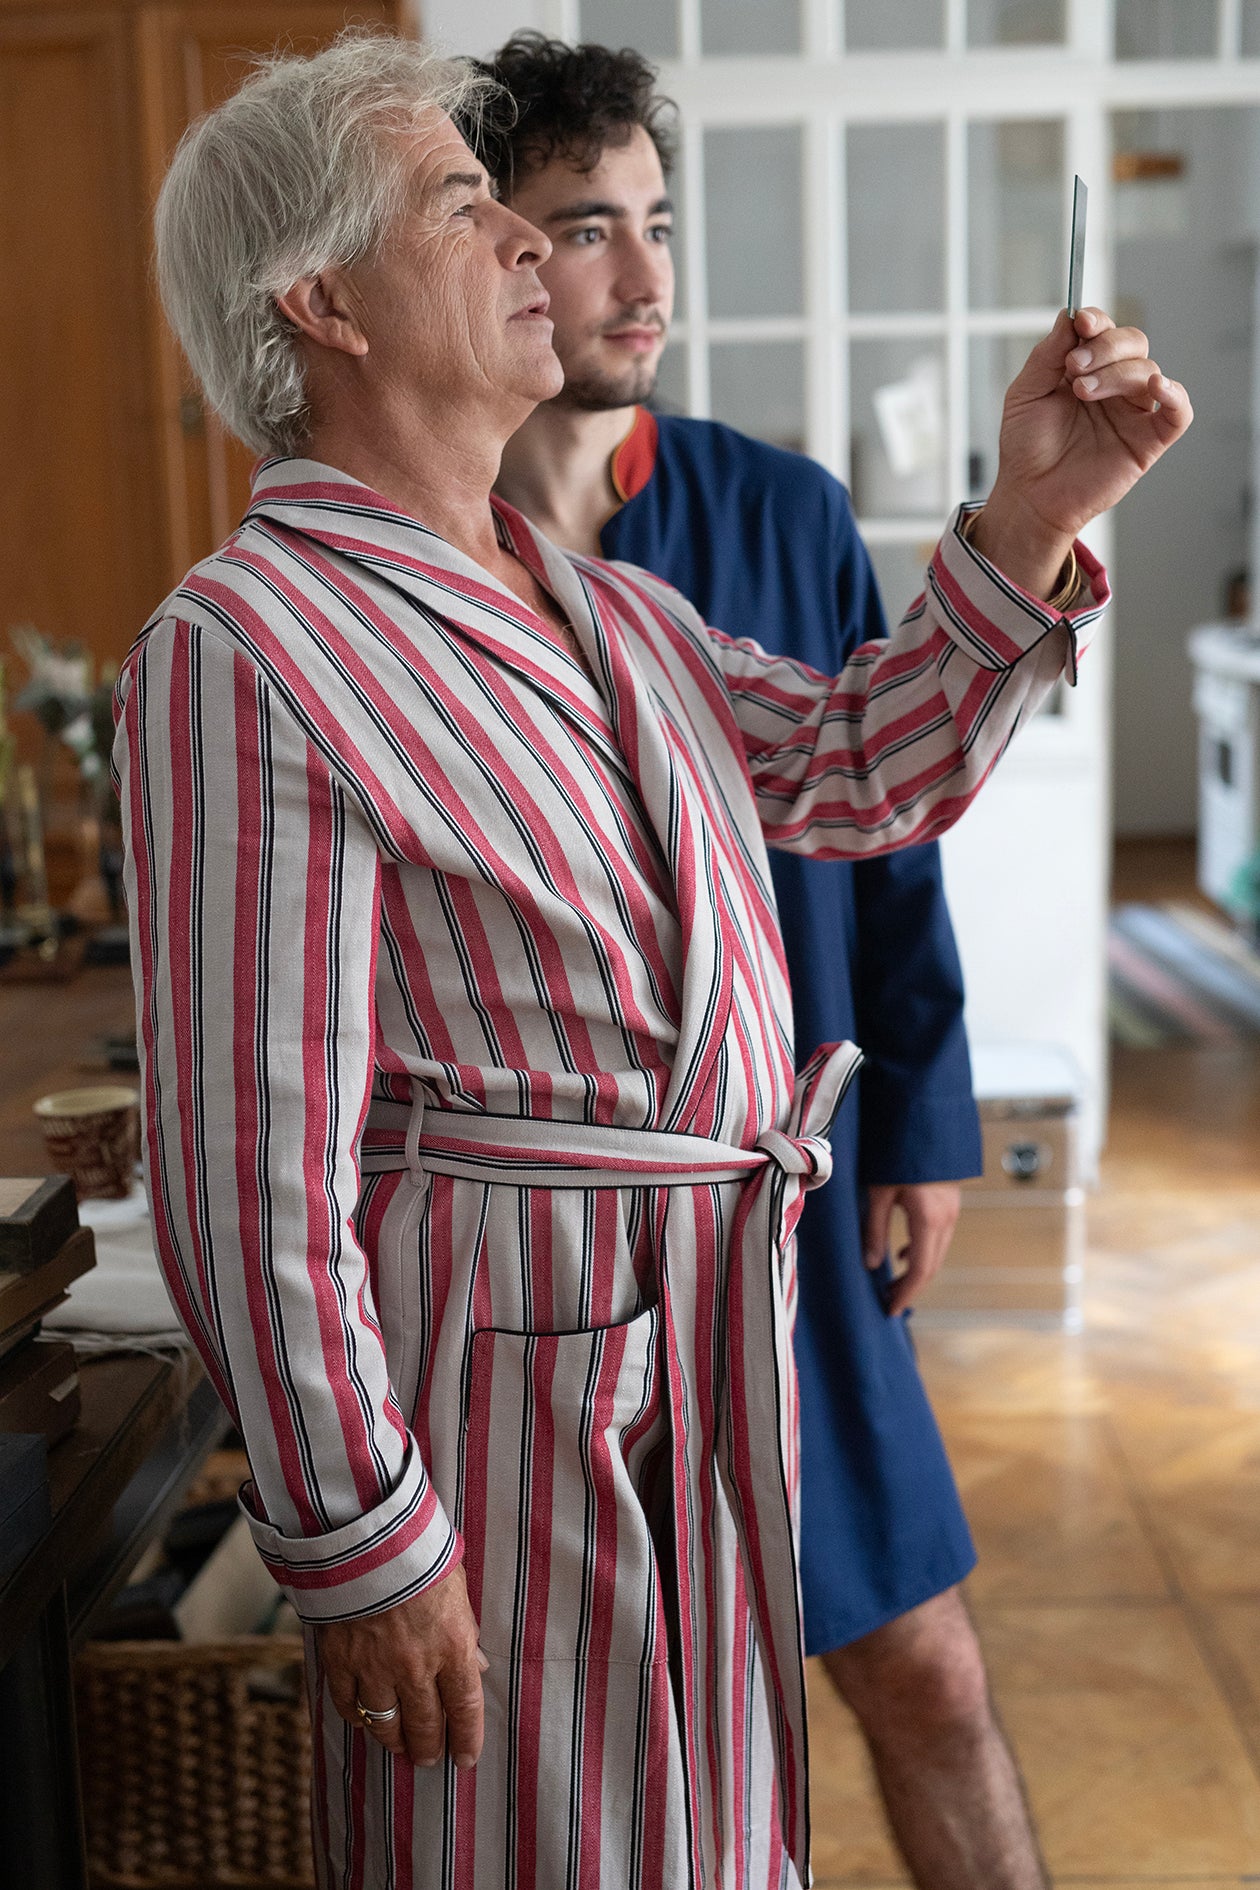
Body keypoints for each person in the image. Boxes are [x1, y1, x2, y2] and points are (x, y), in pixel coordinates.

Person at [117, 29, 1188, 1890]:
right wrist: (364, 1538)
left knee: (711, 1836)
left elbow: (861, 759)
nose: (538, 250)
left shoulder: (605, 602)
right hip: (500, 1417)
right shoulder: (250, 643)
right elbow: (244, 1174)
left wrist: (1038, 510)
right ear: (324, 305)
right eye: (472, 208)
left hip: (712, 1348)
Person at [479, 35, 1042, 1887]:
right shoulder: (428, 574)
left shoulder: (778, 512)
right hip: (560, 1273)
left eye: (658, 222)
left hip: (787, 1212)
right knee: (633, 1745)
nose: (645, 277)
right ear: (493, 254)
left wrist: (927, 1119)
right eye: (587, 230)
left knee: (928, 1671)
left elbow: (888, 832)